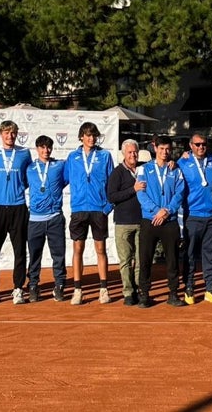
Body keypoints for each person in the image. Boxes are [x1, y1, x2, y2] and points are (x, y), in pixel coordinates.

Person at [64, 122, 114, 306]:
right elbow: (63, 180)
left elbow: (112, 183)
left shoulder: (105, 156)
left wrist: (107, 207)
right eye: (87, 135)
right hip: (79, 210)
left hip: (98, 209)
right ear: (81, 137)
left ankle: (103, 289)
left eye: (94, 135)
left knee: (100, 250)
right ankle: (78, 290)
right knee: (78, 250)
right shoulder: (72, 157)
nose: (91, 138)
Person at [0, 120, 32, 305]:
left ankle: (18, 289)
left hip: (18, 206)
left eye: (13, 133)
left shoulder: (24, 154)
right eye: (6, 133)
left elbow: (28, 178)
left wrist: (15, 188)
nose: (10, 136)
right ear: (0, 134)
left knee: (20, 251)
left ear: (16, 134)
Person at [136, 135, 186, 308]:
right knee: (145, 258)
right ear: (154, 148)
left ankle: (173, 293)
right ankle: (144, 294)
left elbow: (180, 193)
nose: (165, 152)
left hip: (169, 220)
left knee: (172, 259)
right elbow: (140, 194)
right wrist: (156, 211)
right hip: (149, 220)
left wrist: (167, 211)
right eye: (162, 148)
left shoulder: (175, 170)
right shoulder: (143, 169)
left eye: (168, 149)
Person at [178, 132, 212, 304]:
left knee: (210, 254)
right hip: (193, 216)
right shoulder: (182, 162)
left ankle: (210, 288)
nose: (201, 147)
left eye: (203, 144)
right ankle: (189, 288)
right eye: (197, 144)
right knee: (189, 255)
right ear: (190, 145)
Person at [26, 135, 68, 303]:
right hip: (35, 219)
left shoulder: (59, 166)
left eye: (48, 147)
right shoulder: (29, 168)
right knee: (34, 255)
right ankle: (33, 285)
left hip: (55, 218)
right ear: (37, 149)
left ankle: (59, 285)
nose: (46, 151)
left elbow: (65, 181)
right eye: (42, 148)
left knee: (58, 254)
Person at [107, 139, 144, 306]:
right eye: (129, 152)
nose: (133, 155)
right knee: (125, 260)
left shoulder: (144, 168)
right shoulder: (117, 173)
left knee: (141, 259)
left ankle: (140, 289)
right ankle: (128, 292)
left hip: (142, 221)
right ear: (124, 154)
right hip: (123, 222)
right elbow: (112, 196)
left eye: (135, 152)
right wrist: (132, 190)